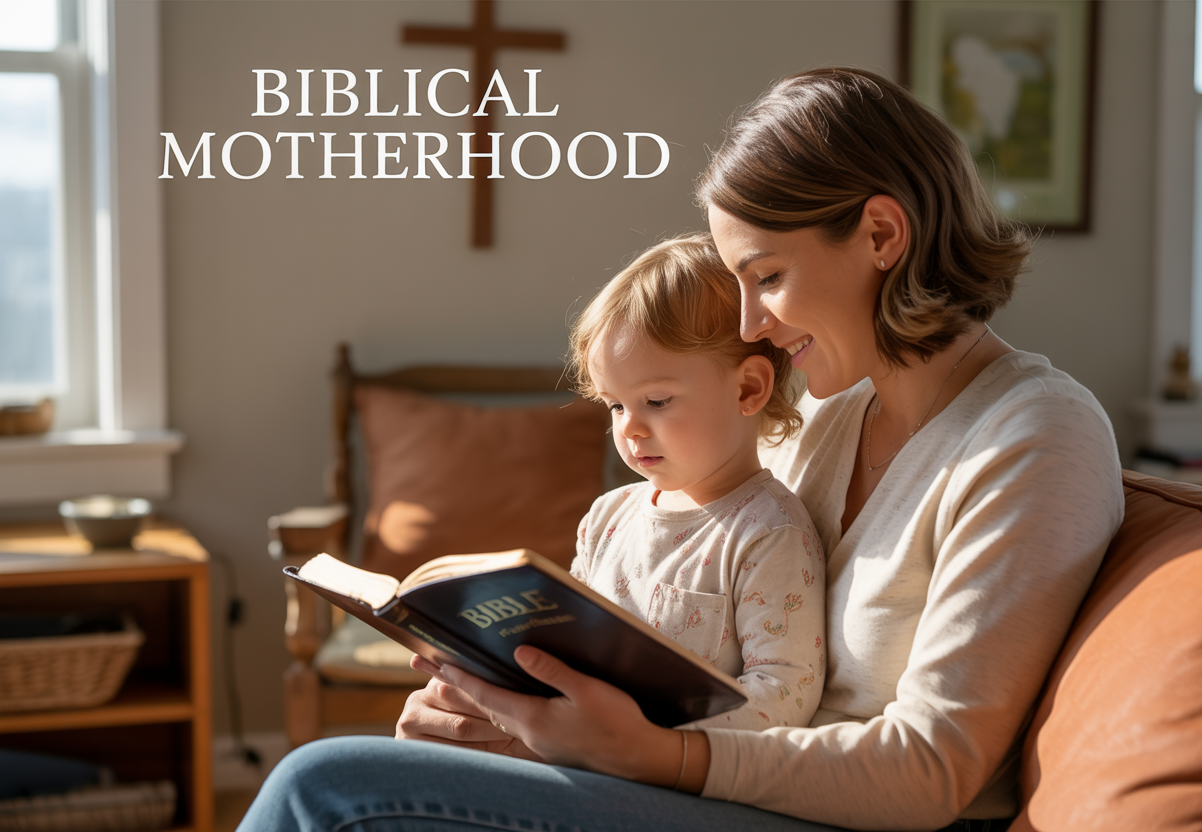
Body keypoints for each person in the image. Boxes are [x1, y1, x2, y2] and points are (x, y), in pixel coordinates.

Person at [238, 68, 1124, 832]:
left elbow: (934, 770)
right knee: (363, 773)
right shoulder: (830, 416)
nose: (750, 327)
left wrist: (655, 758)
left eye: (768, 277)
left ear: (882, 237)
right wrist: (515, 712)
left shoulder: (1034, 438)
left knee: (327, 786)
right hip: (728, 791)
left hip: (834, 816)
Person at [566, 233, 825, 732]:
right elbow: (568, 644)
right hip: (584, 755)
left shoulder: (767, 534)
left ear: (748, 388)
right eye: (615, 405)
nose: (629, 428)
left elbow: (785, 692)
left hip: (672, 780)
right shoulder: (605, 520)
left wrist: (644, 734)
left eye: (656, 401)